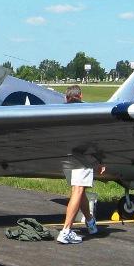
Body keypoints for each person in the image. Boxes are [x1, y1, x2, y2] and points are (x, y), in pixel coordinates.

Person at [56, 84, 100, 244]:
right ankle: (66, 230)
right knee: (78, 190)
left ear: (66, 98)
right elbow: (94, 139)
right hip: (83, 156)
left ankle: (90, 222)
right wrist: (99, 159)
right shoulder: (87, 112)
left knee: (78, 190)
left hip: (66, 157)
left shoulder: (60, 112)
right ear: (80, 96)